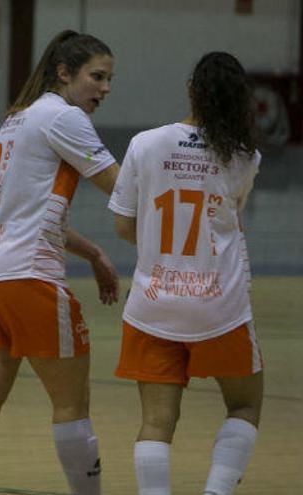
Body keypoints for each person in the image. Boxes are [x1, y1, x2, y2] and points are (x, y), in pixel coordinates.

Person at [0, 30, 121, 495]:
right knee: (71, 406)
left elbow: (30, 215)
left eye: (109, 79)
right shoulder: (65, 117)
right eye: (96, 77)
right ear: (64, 73)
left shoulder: (17, 119)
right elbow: (123, 191)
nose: (104, 88)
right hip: (28, 277)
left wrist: (95, 253)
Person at [110, 51, 262, 495]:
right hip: (221, 305)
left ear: (191, 89)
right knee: (245, 405)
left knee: (156, 422)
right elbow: (233, 218)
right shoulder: (244, 157)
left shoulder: (145, 143)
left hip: (153, 304)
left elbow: (123, 225)